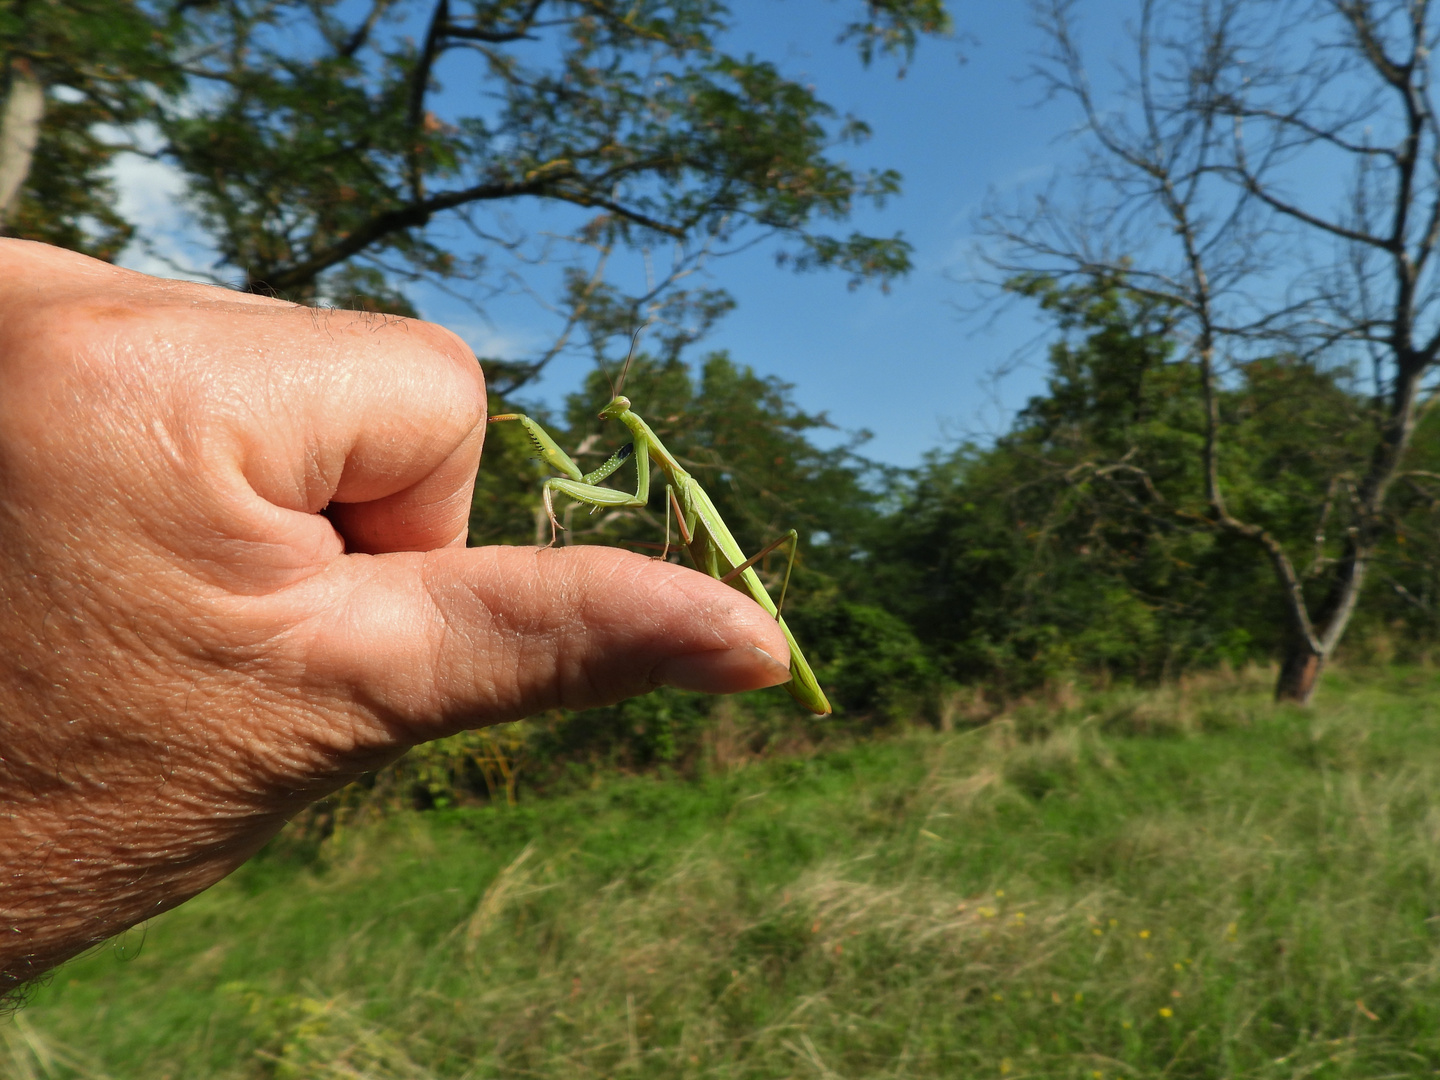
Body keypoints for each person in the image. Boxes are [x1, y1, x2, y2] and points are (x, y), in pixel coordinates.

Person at [0, 239, 792, 1001]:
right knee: (591, 501)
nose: (616, 412)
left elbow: (645, 503)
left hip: (736, 573)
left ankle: (777, 624)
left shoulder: (667, 469)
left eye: (621, 409)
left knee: (714, 536)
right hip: (710, 576)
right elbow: (616, 489)